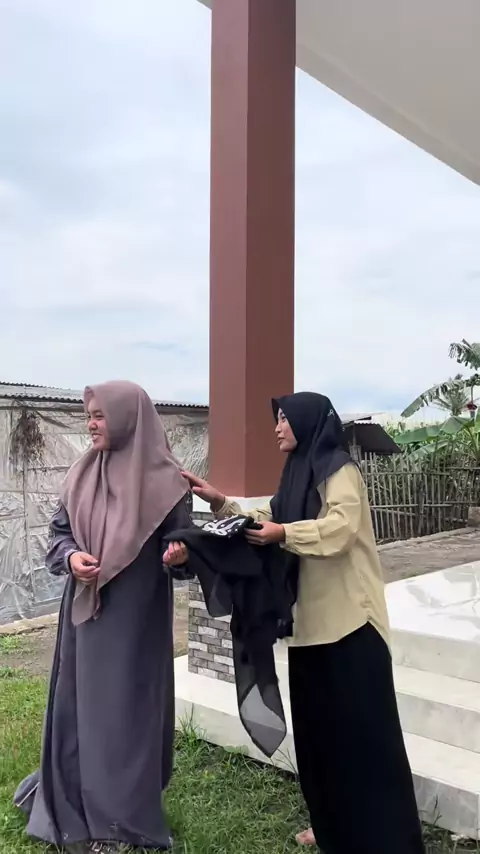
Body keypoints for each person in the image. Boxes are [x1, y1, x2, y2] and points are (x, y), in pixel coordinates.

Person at [164, 392, 425, 854]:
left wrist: (285, 534)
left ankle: (386, 838)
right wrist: (222, 503)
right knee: (319, 739)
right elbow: (269, 515)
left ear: (307, 421)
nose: (277, 427)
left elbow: (341, 527)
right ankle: (331, 827)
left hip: (351, 627)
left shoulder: (339, 470)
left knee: (365, 739)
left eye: (284, 418)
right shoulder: (296, 474)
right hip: (309, 629)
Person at [15, 380, 191, 854]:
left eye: (99, 415)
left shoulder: (169, 483)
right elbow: (59, 535)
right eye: (88, 415)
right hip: (85, 617)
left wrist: (179, 556)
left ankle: (120, 819)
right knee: (81, 710)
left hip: (137, 621)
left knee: (125, 714)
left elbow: (186, 550)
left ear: (128, 418)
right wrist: (71, 557)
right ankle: (74, 800)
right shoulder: (81, 474)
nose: (91, 424)